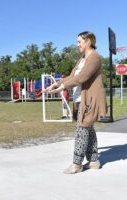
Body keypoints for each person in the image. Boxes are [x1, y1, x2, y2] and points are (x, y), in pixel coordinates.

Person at [44, 31, 107, 174]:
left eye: (80, 41)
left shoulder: (94, 58)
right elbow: (73, 76)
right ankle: (94, 161)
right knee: (88, 129)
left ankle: (77, 164)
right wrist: (55, 84)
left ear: (88, 42)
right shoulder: (82, 59)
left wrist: (62, 87)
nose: (77, 44)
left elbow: (82, 77)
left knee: (82, 129)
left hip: (90, 100)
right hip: (80, 99)